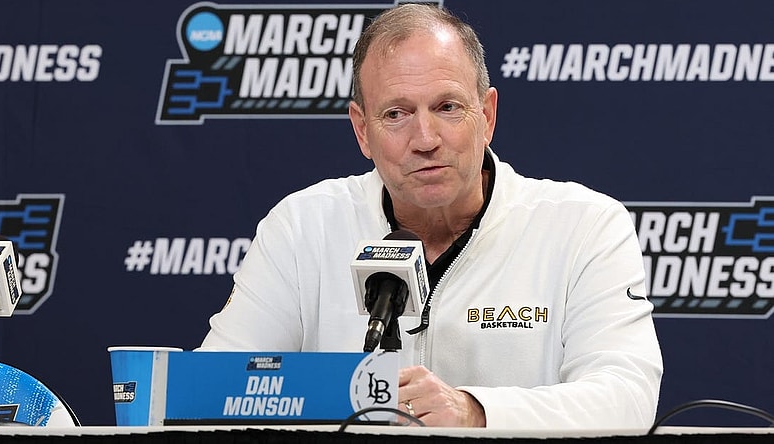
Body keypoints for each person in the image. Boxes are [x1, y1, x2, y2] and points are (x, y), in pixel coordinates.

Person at [200, 3, 663, 430]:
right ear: (363, 131)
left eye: (447, 107)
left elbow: (627, 396)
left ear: (487, 115)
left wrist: (476, 412)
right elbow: (213, 389)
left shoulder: (584, 227)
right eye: (397, 114)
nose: (425, 138)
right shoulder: (302, 228)